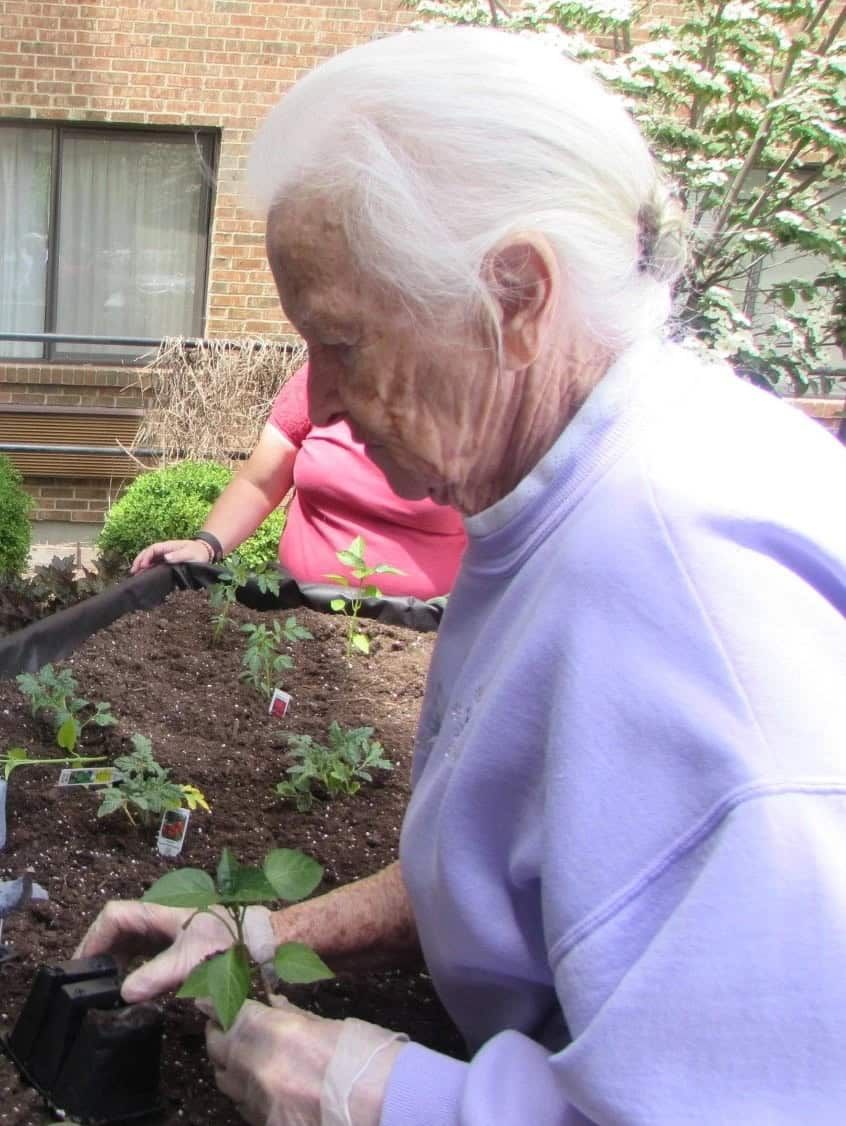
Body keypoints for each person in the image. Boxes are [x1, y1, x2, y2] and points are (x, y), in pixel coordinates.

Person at [76, 27, 846, 1126]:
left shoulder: (692, 595)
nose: (321, 407)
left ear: (520, 294)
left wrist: (367, 1092)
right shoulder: (572, 488)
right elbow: (551, 865)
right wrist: (267, 930)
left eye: (344, 342)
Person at [130, 361, 467, 600]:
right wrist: (206, 545)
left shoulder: (476, 400)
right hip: (300, 609)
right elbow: (260, 481)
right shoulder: (325, 374)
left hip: (420, 632)